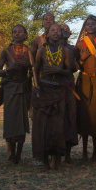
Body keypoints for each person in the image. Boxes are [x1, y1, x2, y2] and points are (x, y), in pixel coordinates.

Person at [32, 24, 72, 170]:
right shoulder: (41, 51)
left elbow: (69, 72)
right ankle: (45, 160)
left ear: (62, 34)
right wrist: (36, 85)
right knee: (43, 126)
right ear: (47, 34)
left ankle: (56, 159)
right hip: (43, 91)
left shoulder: (65, 51)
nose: (56, 32)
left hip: (59, 90)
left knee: (57, 126)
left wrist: (58, 70)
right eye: (52, 30)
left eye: (58, 31)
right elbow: (35, 71)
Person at [0, 25, 33, 164]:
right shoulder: (6, 51)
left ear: (25, 35)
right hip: (10, 89)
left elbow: (34, 71)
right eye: (14, 32)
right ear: (12, 35)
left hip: (24, 89)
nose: (17, 34)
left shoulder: (29, 51)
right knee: (10, 121)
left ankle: (18, 154)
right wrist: (8, 70)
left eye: (20, 32)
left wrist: (28, 65)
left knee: (22, 121)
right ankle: (11, 154)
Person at [75, 15, 96, 160]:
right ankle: (85, 151)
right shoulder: (80, 44)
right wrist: (82, 58)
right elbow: (74, 67)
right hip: (84, 81)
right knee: (85, 115)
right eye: (88, 24)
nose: (90, 26)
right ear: (84, 27)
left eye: (93, 24)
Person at [59, 23, 79, 164]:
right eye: (62, 29)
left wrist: (74, 65)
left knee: (70, 117)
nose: (64, 31)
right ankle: (56, 152)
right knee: (57, 118)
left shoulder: (73, 49)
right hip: (56, 86)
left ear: (70, 33)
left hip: (70, 86)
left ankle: (68, 154)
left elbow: (77, 67)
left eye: (67, 29)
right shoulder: (51, 49)